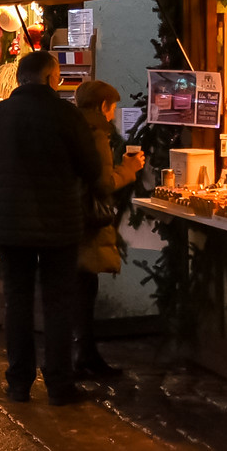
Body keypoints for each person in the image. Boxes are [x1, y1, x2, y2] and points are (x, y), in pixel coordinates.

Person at [0, 48, 102, 405]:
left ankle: (18, 383)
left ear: (20, 78)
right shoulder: (66, 116)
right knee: (58, 303)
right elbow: (91, 167)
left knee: (17, 301)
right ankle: (59, 385)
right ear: (50, 78)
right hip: (59, 223)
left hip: (8, 225)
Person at [73, 79, 143, 381]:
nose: (113, 115)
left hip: (69, 219)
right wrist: (130, 169)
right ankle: (86, 357)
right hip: (88, 222)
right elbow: (103, 183)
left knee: (78, 289)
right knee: (85, 289)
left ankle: (84, 355)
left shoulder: (70, 127)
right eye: (112, 108)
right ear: (103, 106)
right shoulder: (96, 134)